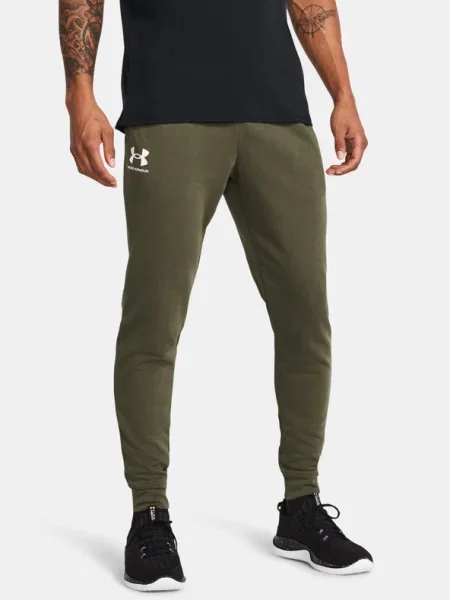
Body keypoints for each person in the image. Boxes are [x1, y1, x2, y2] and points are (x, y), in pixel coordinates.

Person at [59, 0, 372, 589]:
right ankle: (149, 515)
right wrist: (80, 93)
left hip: (278, 114)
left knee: (307, 319)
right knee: (154, 321)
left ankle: (301, 505)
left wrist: (343, 94)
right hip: (166, 115)